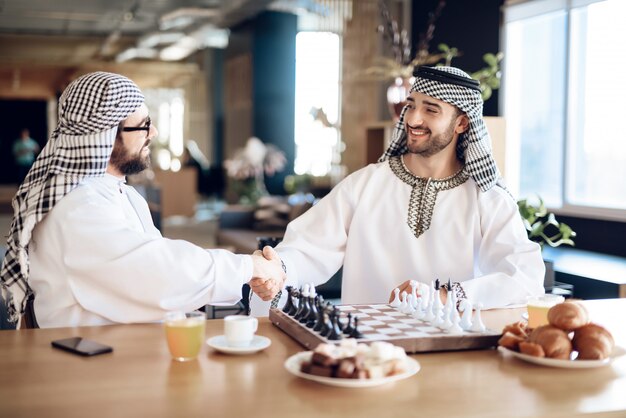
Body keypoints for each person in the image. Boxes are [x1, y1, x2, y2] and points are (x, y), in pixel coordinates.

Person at [250, 66, 544, 316]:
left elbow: (525, 278)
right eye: (411, 105)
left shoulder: (487, 198)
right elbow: (308, 248)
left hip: (453, 346)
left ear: (462, 123)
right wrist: (278, 269)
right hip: (368, 348)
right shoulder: (366, 184)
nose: (413, 119)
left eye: (431, 110)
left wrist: (442, 297)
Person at [0, 72, 285, 329]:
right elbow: (156, 273)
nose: (154, 133)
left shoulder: (117, 191)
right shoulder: (77, 205)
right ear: (107, 136)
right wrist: (249, 268)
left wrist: (244, 275)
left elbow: (160, 260)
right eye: (144, 125)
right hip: (93, 363)